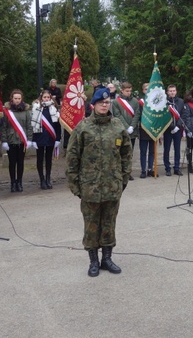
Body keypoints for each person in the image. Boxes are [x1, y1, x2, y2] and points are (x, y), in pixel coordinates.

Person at [66, 87, 132, 277]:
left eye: (107, 102)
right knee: (91, 225)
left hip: (112, 186)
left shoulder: (118, 126)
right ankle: (93, 261)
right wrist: (76, 186)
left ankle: (107, 259)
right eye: (101, 103)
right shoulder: (83, 127)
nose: (104, 105)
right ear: (93, 105)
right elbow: (72, 158)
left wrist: (123, 179)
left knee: (109, 223)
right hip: (90, 188)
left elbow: (126, 155)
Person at [1, 89, 33, 192]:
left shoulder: (26, 111)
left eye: (19, 98)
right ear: (12, 98)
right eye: (15, 98)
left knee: (20, 163)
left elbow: (29, 126)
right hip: (11, 141)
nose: (17, 100)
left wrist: (29, 140)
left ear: (22, 99)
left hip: (21, 140)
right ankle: (12, 183)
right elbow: (4, 127)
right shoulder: (7, 111)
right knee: (12, 163)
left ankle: (19, 182)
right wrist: (4, 141)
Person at [31, 90, 61, 190]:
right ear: (41, 98)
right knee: (40, 159)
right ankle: (42, 180)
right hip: (39, 137)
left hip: (50, 137)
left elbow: (57, 125)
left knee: (49, 159)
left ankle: (48, 179)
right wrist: (33, 139)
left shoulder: (54, 108)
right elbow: (33, 124)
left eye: (48, 97)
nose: (46, 99)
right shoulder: (36, 108)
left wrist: (58, 138)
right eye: (45, 97)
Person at [112, 82, 140, 180]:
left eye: (130, 91)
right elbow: (117, 115)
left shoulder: (135, 101)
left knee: (130, 153)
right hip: (121, 131)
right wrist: (126, 127)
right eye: (127, 91)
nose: (129, 93)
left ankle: (128, 172)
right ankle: (120, 172)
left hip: (132, 132)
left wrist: (132, 126)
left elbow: (137, 114)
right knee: (120, 152)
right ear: (122, 91)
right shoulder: (116, 102)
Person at [163, 84, 184, 176]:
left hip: (178, 129)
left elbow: (183, 115)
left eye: (174, 90)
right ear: (167, 92)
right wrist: (172, 127)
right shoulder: (164, 102)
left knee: (177, 149)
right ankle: (167, 168)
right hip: (168, 129)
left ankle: (177, 167)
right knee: (166, 149)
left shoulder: (180, 101)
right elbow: (164, 116)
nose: (172, 92)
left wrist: (178, 126)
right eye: (170, 91)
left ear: (176, 91)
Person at [137, 83, 155, 178]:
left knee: (152, 151)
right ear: (143, 91)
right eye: (146, 89)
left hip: (153, 130)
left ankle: (150, 169)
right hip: (144, 129)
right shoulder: (140, 102)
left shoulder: (155, 102)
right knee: (143, 151)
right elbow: (138, 115)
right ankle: (143, 170)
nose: (148, 91)